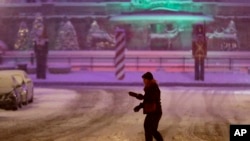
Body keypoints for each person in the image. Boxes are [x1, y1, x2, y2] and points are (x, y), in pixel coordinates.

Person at [128, 72, 164, 141]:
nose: (143, 81)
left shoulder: (153, 87)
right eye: (143, 79)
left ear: (149, 79)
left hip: (155, 112)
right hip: (153, 112)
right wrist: (139, 96)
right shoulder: (150, 87)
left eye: (145, 79)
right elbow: (147, 99)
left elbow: (150, 99)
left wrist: (140, 101)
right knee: (149, 129)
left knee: (151, 129)